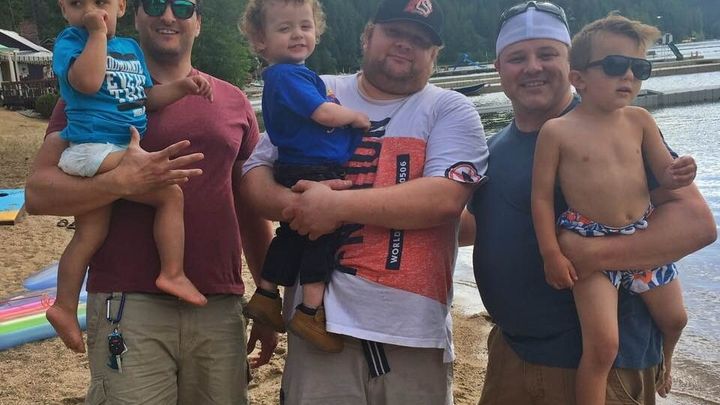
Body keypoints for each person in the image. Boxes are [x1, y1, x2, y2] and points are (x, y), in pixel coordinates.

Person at [459, 2, 716, 404]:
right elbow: (488, 224)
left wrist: (590, 254)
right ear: (499, 68)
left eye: (547, 54)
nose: (533, 67)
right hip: (510, 354)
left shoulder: (615, 125)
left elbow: (696, 224)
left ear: (571, 65)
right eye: (517, 57)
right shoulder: (492, 150)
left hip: (604, 367)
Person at [25, 0, 277, 402]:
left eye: (183, 7)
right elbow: (38, 194)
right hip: (127, 304)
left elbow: (250, 210)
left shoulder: (234, 101)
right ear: (137, 14)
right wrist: (120, 182)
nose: (168, 15)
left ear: (198, 22)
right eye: (156, 4)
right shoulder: (91, 89)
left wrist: (266, 298)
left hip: (217, 302)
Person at [242, 0, 489, 402]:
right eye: (395, 32)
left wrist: (334, 207)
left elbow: (444, 199)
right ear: (368, 35)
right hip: (317, 332)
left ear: (434, 54)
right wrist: (299, 206)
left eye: (419, 40)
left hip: (414, 336)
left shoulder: (450, 108)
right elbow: (255, 176)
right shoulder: (319, 88)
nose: (405, 44)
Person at [531, 15, 697, 404]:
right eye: (615, 65)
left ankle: (666, 361)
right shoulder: (557, 131)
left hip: (640, 236)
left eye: (640, 68)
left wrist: (680, 172)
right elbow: (540, 198)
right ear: (578, 78)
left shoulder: (640, 120)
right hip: (587, 241)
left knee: (676, 319)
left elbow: (664, 175)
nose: (629, 76)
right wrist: (551, 254)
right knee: (604, 346)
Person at [47, 0, 212, 354]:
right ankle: (172, 273)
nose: (91, 11)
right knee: (170, 193)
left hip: (111, 148)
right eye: (78, 4)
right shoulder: (71, 42)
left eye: (101, 3)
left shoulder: (130, 48)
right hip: (93, 146)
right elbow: (87, 82)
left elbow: (146, 97)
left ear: (121, 6)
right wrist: (96, 32)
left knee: (90, 233)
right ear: (64, 10)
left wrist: (182, 88)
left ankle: (63, 306)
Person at [239, 0, 370, 353]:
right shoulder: (289, 75)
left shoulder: (286, 76)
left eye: (305, 26)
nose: (297, 34)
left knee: (292, 233)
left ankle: (267, 293)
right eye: (284, 28)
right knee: (323, 233)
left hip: (297, 163)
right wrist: (355, 117)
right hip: (313, 166)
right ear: (261, 40)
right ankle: (310, 311)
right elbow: (322, 113)